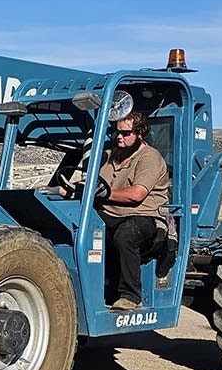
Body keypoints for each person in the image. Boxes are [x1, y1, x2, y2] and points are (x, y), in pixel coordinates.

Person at [56, 111, 172, 310]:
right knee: (72, 227)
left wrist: (101, 195)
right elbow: (91, 181)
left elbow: (136, 194)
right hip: (109, 214)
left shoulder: (150, 157)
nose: (119, 137)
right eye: (117, 132)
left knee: (126, 236)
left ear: (139, 134)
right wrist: (70, 189)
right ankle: (76, 290)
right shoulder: (110, 155)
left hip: (144, 217)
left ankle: (130, 296)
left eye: (125, 133)